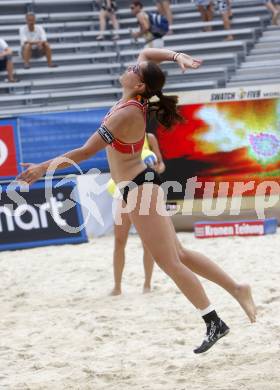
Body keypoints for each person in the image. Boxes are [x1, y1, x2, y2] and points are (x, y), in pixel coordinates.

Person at [17, 48, 256, 354]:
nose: (130, 66)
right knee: (179, 254)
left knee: (169, 262)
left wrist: (42, 168)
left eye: (135, 68)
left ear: (140, 84)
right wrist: (176, 56)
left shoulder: (128, 111)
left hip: (141, 187)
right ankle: (237, 288)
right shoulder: (131, 102)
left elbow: (85, 152)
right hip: (136, 187)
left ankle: (213, 320)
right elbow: (146, 51)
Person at [109, 133, 165, 296]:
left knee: (147, 242)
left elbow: (161, 165)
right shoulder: (116, 136)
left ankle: (147, 284)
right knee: (119, 241)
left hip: (144, 188)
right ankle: (117, 286)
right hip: (122, 188)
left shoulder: (150, 138)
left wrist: (155, 168)